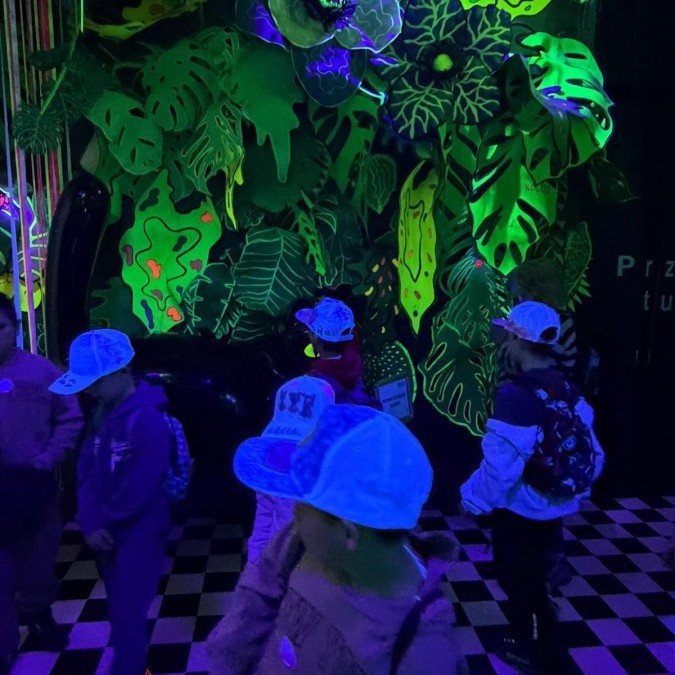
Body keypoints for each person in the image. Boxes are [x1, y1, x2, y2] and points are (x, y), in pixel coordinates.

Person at [208, 404, 467, 674]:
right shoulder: (297, 541)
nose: (294, 513)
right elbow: (256, 600)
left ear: (348, 533)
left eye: (304, 504)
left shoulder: (423, 656)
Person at [461, 301, 605, 675]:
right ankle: (538, 643)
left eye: (507, 335)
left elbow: (501, 470)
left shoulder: (516, 395)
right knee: (537, 579)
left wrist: (471, 500)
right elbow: (593, 450)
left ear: (516, 340)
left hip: (520, 509)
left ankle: (536, 653)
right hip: (554, 507)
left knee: (518, 580)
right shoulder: (566, 386)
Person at [49, 329, 172, 675]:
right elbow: (86, 471)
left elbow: (143, 483)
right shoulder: (101, 414)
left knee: (129, 607)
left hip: (140, 534)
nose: (87, 390)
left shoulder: (148, 419)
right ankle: (127, 659)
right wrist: (90, 521)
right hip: (106, 533)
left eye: (95, 381)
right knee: (119, 604)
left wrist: (103, 519)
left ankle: (130, 666)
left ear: (122, 371)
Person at [0, 292, 83, 674]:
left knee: (38, 559)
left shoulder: (43, 372)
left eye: (0, 328)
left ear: (15, 328)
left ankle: (37, 615)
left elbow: (71, 419)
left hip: (35, 484)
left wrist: (47, 458)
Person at [239, 375, 335, 564]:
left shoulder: (331, 476)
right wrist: (255, 566)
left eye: (298, 446)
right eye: (283, 444)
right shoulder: (270, 471)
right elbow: (263, 522)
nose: (289, 452)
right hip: (278, 566)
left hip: (313, 569)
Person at [295, 297, 377, 406]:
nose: (308, 334)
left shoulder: (313, 382)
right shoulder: (359, 364)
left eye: (310, 331)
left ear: (317, 339)